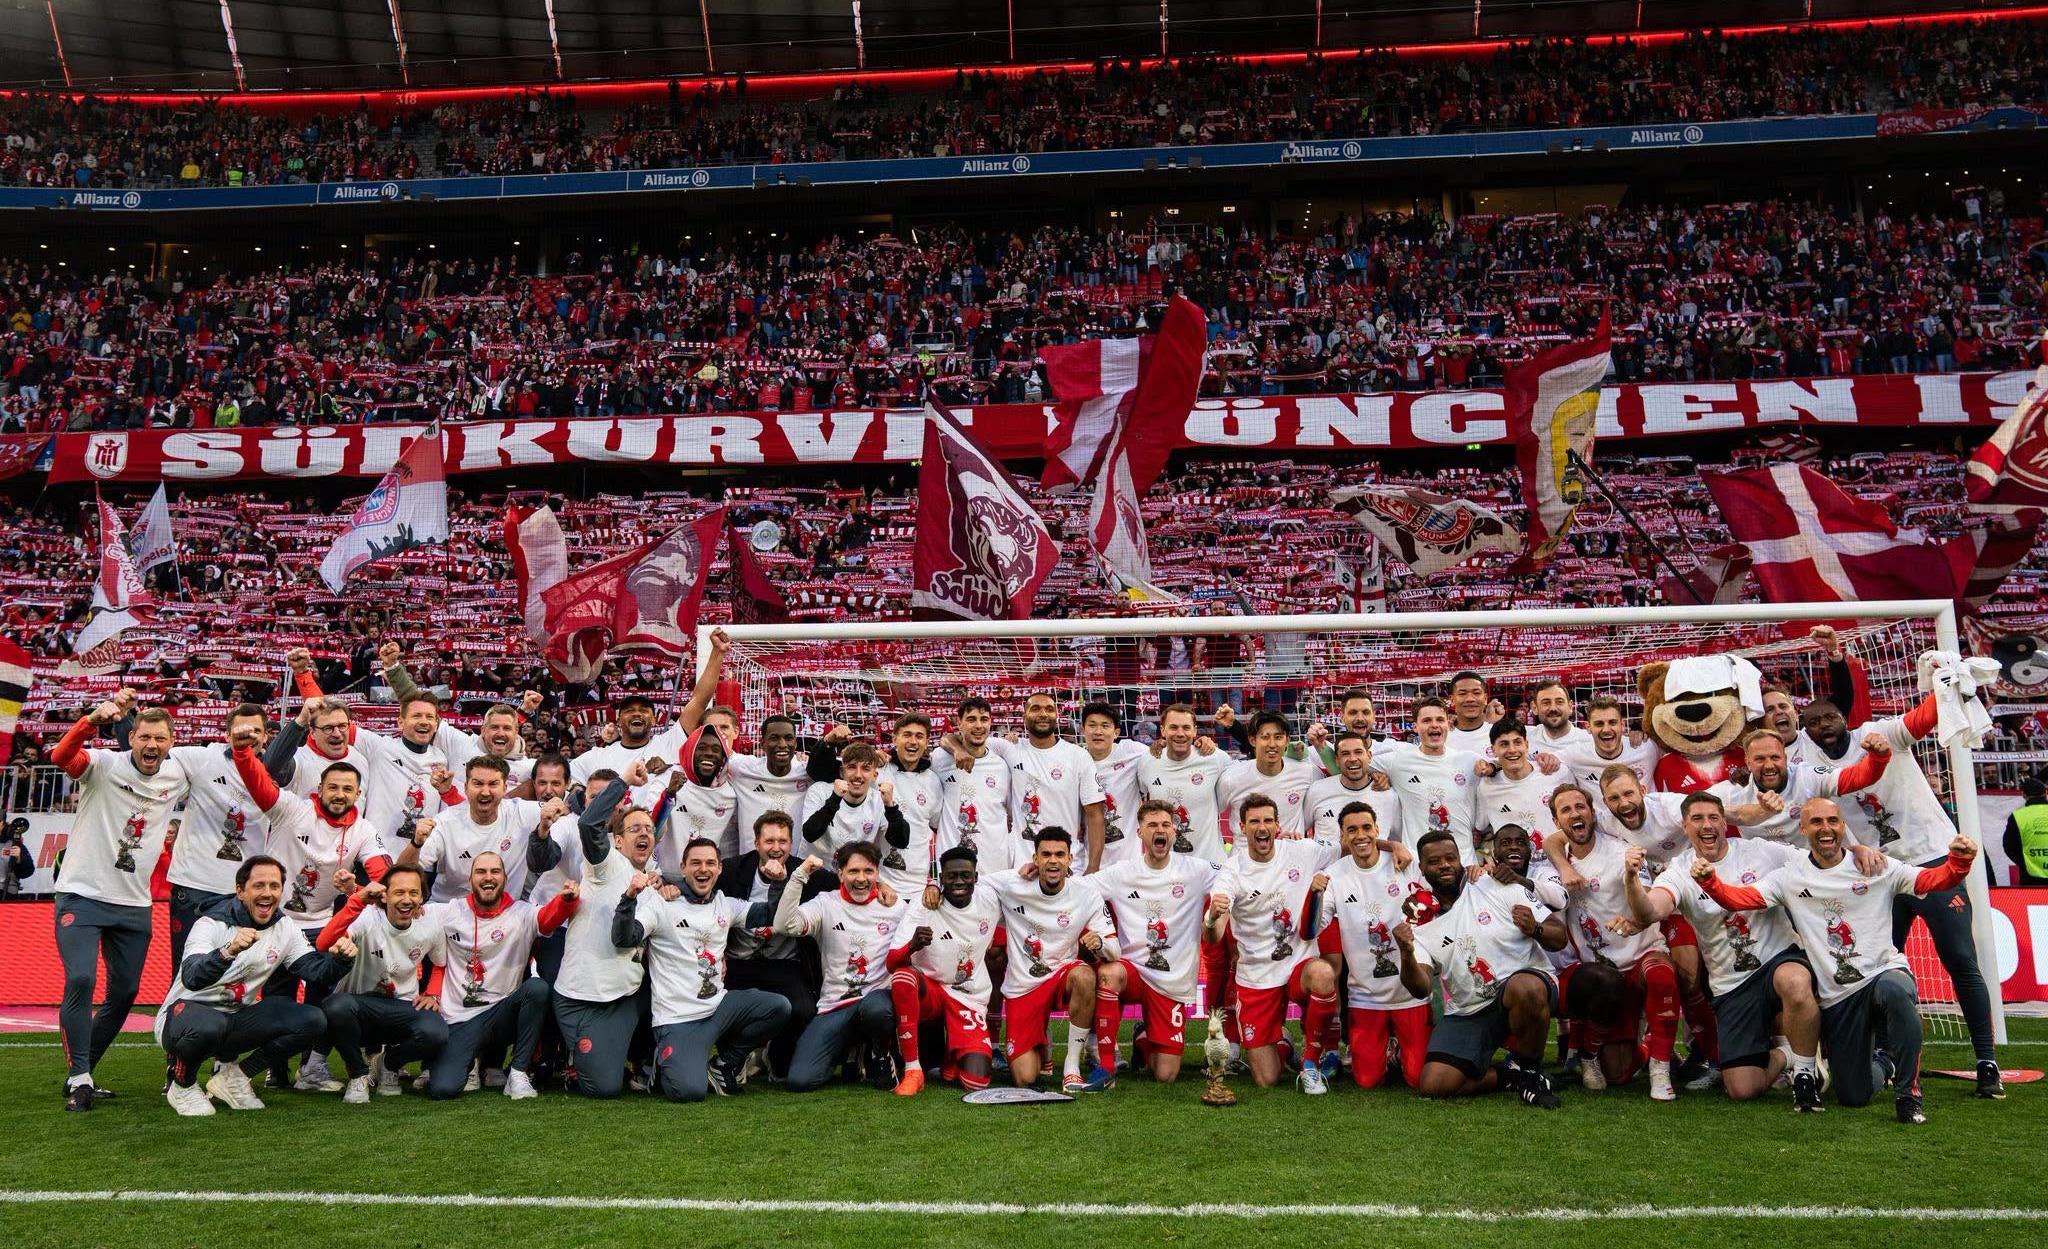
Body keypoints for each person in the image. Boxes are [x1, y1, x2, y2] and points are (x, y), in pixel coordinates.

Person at [1695, 799, 1980, 1123]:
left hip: (1881, 972)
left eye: (1832, 820)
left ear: (1843, 826)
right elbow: (1740, 899)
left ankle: (1909, 1096)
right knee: (1853, 1095)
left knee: (1898, 992)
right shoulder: (1790, 877)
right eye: (1816, 822)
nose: (1826, 828)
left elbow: (1930, 881)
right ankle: (1885, 1062)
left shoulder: (1875, 865)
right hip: (1839, 997)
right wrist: (1710, 883)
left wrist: (1958, 862)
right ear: (1803, 830)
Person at [1798, 685, 2002, 1096]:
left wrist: (1945, 686)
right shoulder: (1812, 768)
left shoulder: (1880, 732)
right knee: (1872, 971)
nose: (1824, 726)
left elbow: (1923, 718)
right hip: (1879, 874)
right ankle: (1885, 1056)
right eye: (1814, 722)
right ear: (1807, 732)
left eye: (1830, 717)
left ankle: (1986, 1060)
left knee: (1961, 958)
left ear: (1845, 718)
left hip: (1931, 859)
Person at [1627, 792, 1837, 1109]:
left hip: (1777, 959)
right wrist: (1631, 879)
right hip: (1732, 982)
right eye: (1697, 819)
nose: (1707, 825)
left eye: (1713, 817)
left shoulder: (1760, 852)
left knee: (1794, 981)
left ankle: (1806, 1077)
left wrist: (1856, 853)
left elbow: (1816, 862)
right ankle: (1787, 1054)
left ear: (1724, 823)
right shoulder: (1679, 872)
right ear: (1685, 828)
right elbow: (1650, 911)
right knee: (1742, 1088)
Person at [230, 719, 392, 1092]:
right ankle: (275, 1068)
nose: (339, 794)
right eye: (333, 787)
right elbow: (259, 783)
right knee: (276, 998)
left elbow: (381, 869)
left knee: (323, 996)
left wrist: (362, 886)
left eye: (347, 789)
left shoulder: (363, 829)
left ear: (358, 794)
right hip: (277, 921)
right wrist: (242, 753)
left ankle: (312, 1068)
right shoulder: (293, 809)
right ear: (319, 789)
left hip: (321, 923)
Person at [49, 698, 192, 1111]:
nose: (151, 744)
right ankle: (79, 1076)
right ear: (130, 737)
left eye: (159, 738)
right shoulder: (105, 765)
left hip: (133, 903)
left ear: (171, 742)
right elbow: (61, 756)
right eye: (144, 736)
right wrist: (90, 721)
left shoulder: (176, 775)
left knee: (125, 992)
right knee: (80, 979)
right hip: (82, 893)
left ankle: (82, 1073)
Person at [158, 855, 358, 1116]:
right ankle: (183, 1085)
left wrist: (341, 961)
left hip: (235, 1022)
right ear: (241, 891)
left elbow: (315, 971)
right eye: (259, 885)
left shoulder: (284, 927)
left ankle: (236, 1077)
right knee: (210, 1024)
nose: (267, 893)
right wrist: (227, 952)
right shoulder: (211, 924)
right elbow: (192, 978)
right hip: (183, 1019)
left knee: (312, 1019)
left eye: (274, 886)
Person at [1393, 824, 1568, 1108]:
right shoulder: (1420, 918)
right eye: (1434, 862)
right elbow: (1420, 987)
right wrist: (1405, 953)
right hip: (1469, 1008)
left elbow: (1558, 936)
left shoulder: (1497, 885)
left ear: (1460, 859)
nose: (1445, 865)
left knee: (1524, 988)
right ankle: (1511, 1076)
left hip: (1522, 988)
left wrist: (1535, 928)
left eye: (1450, 858)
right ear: (1422, 869)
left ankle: (1532, 1071)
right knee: (1434, 1084)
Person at [611, 837, 792, 1102]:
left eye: (710, 863)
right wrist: (628, 899)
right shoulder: (662, 905)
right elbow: (624, 938)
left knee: (779, 1007)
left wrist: (777, 883)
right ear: (682, 867)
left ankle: (724, 1065)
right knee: (689, 1091)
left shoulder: (725, 904)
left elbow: (772, 915)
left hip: (718, 1008)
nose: (703, 869)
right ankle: (662, 1064)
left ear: (720, 868)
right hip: (678, 1018)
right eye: (695, 863)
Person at [1537, 784, 1683, 1100]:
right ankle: (1627, 1047)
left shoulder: (1622, 852)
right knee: (1618, 1074)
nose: (1575, 813)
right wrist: (1562, 866)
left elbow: (1646, 905)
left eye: (1581, 807)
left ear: (1593, 813)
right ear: (1557, 822)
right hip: (1604, 977)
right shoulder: (1553, 863)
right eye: (1566, 810)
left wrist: (1631, 882)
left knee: (1661, 975)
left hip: (1642, 953)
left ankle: (1661, 1071)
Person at [1205, 794, 1341, 1093]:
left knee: (1323, 973)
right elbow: (1214, 935)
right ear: (1242, 827)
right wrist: (1213, 918)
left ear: (1278, 825)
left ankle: (1310, 1064)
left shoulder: (1302, 850)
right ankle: (1284, 1046)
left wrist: (1392, 845)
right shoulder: (1232, 872)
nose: (1261, 826)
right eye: (1254, 821)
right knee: (1266, 1079)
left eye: (1268, 820)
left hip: (1298, 964)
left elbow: (1349, 843)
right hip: (1257, 975)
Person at [423, 851, 572, 1100]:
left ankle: (517, 1073)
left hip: (502, 1016)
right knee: (443, 1089)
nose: (488, 877)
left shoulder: (521, 913)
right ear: (470, 880)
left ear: (504, 878)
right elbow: (412, 913)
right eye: (480, 872)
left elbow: (547, 920)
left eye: (495, 872)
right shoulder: (450, 911)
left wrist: (566, 901)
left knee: (537, 990)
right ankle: (469, 1063)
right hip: (460, 1021)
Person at [543, 771, 656, 1098]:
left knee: (661, 980)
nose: (643, 834)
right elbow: (589, 825)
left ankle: (642, 1060)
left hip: (622, 998)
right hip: (582, 998)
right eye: (634, 828)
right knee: (603, 1088)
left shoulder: (652, 885)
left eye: (648, 829)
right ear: (617, 841)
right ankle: (574, 1058)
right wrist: (623, 781)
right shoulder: (606, 866)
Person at [984, 827, 1123, 1091]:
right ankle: (1042, 1044)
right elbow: (975, 884)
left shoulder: (1085, 893)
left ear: (1070, 859)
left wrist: (1101, 943)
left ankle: (1071, 1067)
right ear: (1035, 859)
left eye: (1060, 854)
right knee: (1025, 1078)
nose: (1053, 860)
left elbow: (1115, 950)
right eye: (1045, 854)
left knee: (1084, 975)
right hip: (1022, 987)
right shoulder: (1013, 884)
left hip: (1061, 977)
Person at [1094, 800, 1219, 1083]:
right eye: (1152, 825)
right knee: (1108, 973)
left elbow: (1236, 875)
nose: (1159, 830)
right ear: (1139, 832)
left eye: (1165, 825)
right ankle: (1107, 1066)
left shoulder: (1197, 871)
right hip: (1133, 972)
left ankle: (1142, 1037)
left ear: (1174, 831)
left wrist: (1287, 848)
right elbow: (1078, 890)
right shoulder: (1121, 872)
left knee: (1165, 1074)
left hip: (1171, 982)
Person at [1312, 801, 1433, 1089]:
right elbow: (1314, 927)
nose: (1360, 835)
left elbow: (1435, 894)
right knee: (1367, 1080)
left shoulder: (1405, 861)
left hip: (1410, 993)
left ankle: (1405, 1045)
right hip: (1366, 996)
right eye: (1351, 830)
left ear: (1377, 829)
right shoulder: (1335, 875)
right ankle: (1388, 1049)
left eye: (1367, 827)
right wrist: (1315, 896)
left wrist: (1420, 909)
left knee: (1418, 1079)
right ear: (1342, 836)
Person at [774, 842, 909, 1092]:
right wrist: (799, 875)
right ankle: (852, 1049)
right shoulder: (825, 903)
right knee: (801, 1080)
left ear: (878, 873)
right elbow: (785, 926)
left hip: (876, 1001)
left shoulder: (896, 907)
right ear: (840, 874)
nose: (861, 879)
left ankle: (879, 1053)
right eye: (853, 871)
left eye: (868, 872)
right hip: (835, 1005)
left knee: (877, 1009)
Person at [315, 865, 450, 1102]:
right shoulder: (368, 917)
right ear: (384, 895)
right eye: (399, 893)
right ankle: (358, 1074)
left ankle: (389, 1064)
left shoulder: (431, 924)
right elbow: (324, 943)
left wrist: (432, 993)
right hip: (358, 1009)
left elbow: (439, 964)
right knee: (335, 1006)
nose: (407, 900)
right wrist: (356, 899)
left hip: (401, 1008)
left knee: (436, 1031)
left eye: (413, 893)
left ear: (422, 897)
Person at [721, 810, 835, 1081]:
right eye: (769, 841)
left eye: (783, 841)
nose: (776, 848)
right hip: (740, 961)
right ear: (756, 842)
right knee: (718, 1005)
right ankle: (735, 1057)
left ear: (791, 843)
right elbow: (697, 887)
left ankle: (777, 1057)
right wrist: (672, 889)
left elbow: (847, 883)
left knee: (805, 1008)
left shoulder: (807, 872)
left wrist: (881, 887)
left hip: (783, 962)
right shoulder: (731, 870)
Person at [165, 702, 277, 968]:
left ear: (265, 736)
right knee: (187, 969)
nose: (248, 736)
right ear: (227, 735)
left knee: (238, 971)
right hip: (194, 885)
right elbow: (152, 753)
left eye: (256, 731)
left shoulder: (278, 770)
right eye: (241, 730)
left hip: (243, 891)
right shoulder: (203, 758)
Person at [887, 846, 1002, 1094]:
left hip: (969, 996)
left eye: (965, 875)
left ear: (976, 878)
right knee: (903, 977)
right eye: (951, 876)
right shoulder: (924, 904)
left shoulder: (991, 900)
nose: (959, 881)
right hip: (934, 992)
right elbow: (891, 963)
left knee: (976, 1082)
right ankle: (913, 1070)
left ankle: (952, 1057)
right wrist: (912, 946)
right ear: (941, 879)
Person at [402, 756, 563, 902]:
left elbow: (563, 808)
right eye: (478, 783)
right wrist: (415, 844)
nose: (485, 792)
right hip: (449, 915)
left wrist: (560, 803)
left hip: (502, 918)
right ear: (465, 788)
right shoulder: (445, 822)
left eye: (493, 784)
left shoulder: (522, 812)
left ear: (505, 788)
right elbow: (403, 873)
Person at [1002, 692, 1108, 873]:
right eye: (1035, 708)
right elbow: (961, 740)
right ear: (1024, 715)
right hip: (1022, 867)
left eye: (1049, 709)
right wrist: (957, 750)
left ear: (1057, 716)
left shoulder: (1078, 756)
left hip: (1069, 867)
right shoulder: (1010, 750)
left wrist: (1093, 867)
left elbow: (1095, 815)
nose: (1043, 714)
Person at [1371, 697, 1485, 866]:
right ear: (1415, 726)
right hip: (1418, 866)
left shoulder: (1469, 760)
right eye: (1426, 720)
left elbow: (1503, 766)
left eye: (1440, 720)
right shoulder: (1398, 761)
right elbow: (1351, 764)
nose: (1434, 725)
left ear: (1448, 724)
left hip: (1465, 865)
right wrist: (1378, 777)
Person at [934, 696, 1020, 871]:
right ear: (960, 723)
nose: (979, 726)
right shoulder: (940, 759)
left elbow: (1012, 812)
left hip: (996, 866)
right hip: (954, 867)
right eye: (971, 719)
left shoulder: (1002, 765)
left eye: (984, 719)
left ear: (990, 723)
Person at [1215, 712, 1325, 842]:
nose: (1272, 744)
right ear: (1252, 740)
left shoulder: (1307, 772)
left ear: (1287, 740)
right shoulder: (1231, 778)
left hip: (1290, 858)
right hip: (1245, 858)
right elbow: (1210, 812)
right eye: (1265, 737)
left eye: (1278, 737)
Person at [1138, 703, 1225, 860]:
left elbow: (1251, 769)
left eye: (1186, 727)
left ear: (1195, 731)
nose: (1180, 733)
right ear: (1163, 731)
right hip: (1167, 867)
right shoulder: (1147, 762)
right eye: (1173, 727)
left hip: (1209, 865)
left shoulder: (1215, 758)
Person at [801, 741, 907, 862]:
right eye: (851, 767)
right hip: (814, 873)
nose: (858, 775)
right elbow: (809, 834)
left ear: (875, 775)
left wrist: (890, 807)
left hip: (852, 876)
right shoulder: (820, 790)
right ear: (842, 772)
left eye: (865, 769)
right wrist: (835, 799)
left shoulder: (879, 800)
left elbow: (901, 842)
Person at [1080, 702, 1150, 869]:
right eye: (1092, 725)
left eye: (1105, 726)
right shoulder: (1075, 760)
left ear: (1116, 732)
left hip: (1126, 862)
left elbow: (1166, 754)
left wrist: (1202, 744)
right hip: (1085, 862)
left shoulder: (1132, 752)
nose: (1098, 732)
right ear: (1082, 730)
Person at [726, 714, 812, 846]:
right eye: (774, 738)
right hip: (752, 864)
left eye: (788, 738)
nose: (782, 744)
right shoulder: (743, 769)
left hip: (794, 864)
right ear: (763, 744)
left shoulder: (807, 771)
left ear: (795, 743)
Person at [1305, 732, 1400, 851]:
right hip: (1326, 869)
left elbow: (1398, 839)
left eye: (1358, 752)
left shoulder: (1389, 796)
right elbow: (1301, 827)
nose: (1353, 759)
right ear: (1337, 760)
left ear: (1369, 756)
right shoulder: (1317, 790)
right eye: (1345, 754)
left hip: (1371, 868)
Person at [2004, 775, 2048, 884]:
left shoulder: (2017, 816)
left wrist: (2024, 863)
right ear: (2046, 794)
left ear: (2023, 795)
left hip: (2031, 879)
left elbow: (2009, 846)